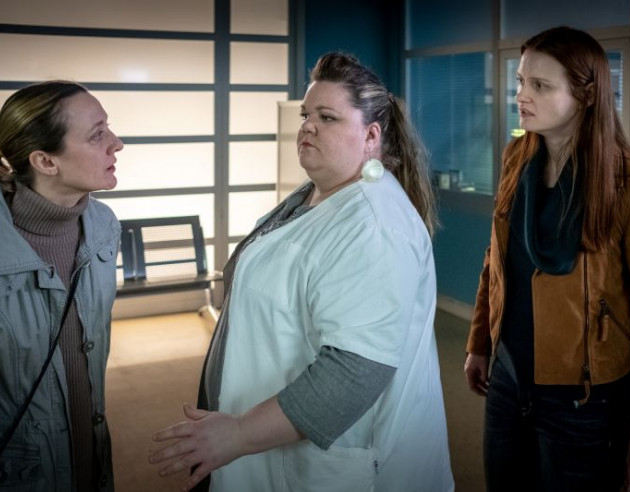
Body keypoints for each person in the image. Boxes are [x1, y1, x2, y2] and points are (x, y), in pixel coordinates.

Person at [148, 52, 454, 492]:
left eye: (327, 117)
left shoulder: (373, 227)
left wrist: (239, 433)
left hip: (334, 463)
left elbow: (353, 371)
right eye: (306, 114)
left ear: (371, 136)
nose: (308, 126)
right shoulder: (317, 193)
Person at [464, 26, 630, 492]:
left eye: (540, 86)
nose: (521, 96)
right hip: (508, 378)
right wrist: (479, 342)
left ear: (585, 95)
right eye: (521, 82)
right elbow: (495, 260)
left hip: (584, 400)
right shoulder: (517, 157)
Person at [0, 81, 124, 491]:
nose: (117, 143)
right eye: (97, 134)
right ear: (45, 161)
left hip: (91, 461)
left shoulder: (104, 226)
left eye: (108, 127)